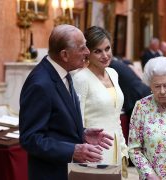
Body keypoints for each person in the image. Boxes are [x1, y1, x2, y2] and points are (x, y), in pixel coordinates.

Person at [19, 24, 114, 180]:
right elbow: (30, 139)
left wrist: (82, 133)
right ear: (64, 55)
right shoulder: (40, 84)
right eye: (82, 48)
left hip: (68, 171)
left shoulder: (64, 71)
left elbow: (57, 124)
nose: (87, 52)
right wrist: (72, 150)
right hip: (51, 174)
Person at [72, 26, 128, 175]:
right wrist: (83, 152)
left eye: (107, 48)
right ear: (87, 53)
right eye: (98, 51)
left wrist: (123, 148)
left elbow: (115, 116)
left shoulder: (113, 73)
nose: (105, 55)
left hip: (116, 147)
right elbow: (76, 121)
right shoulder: (80, 79)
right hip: (93, 151)